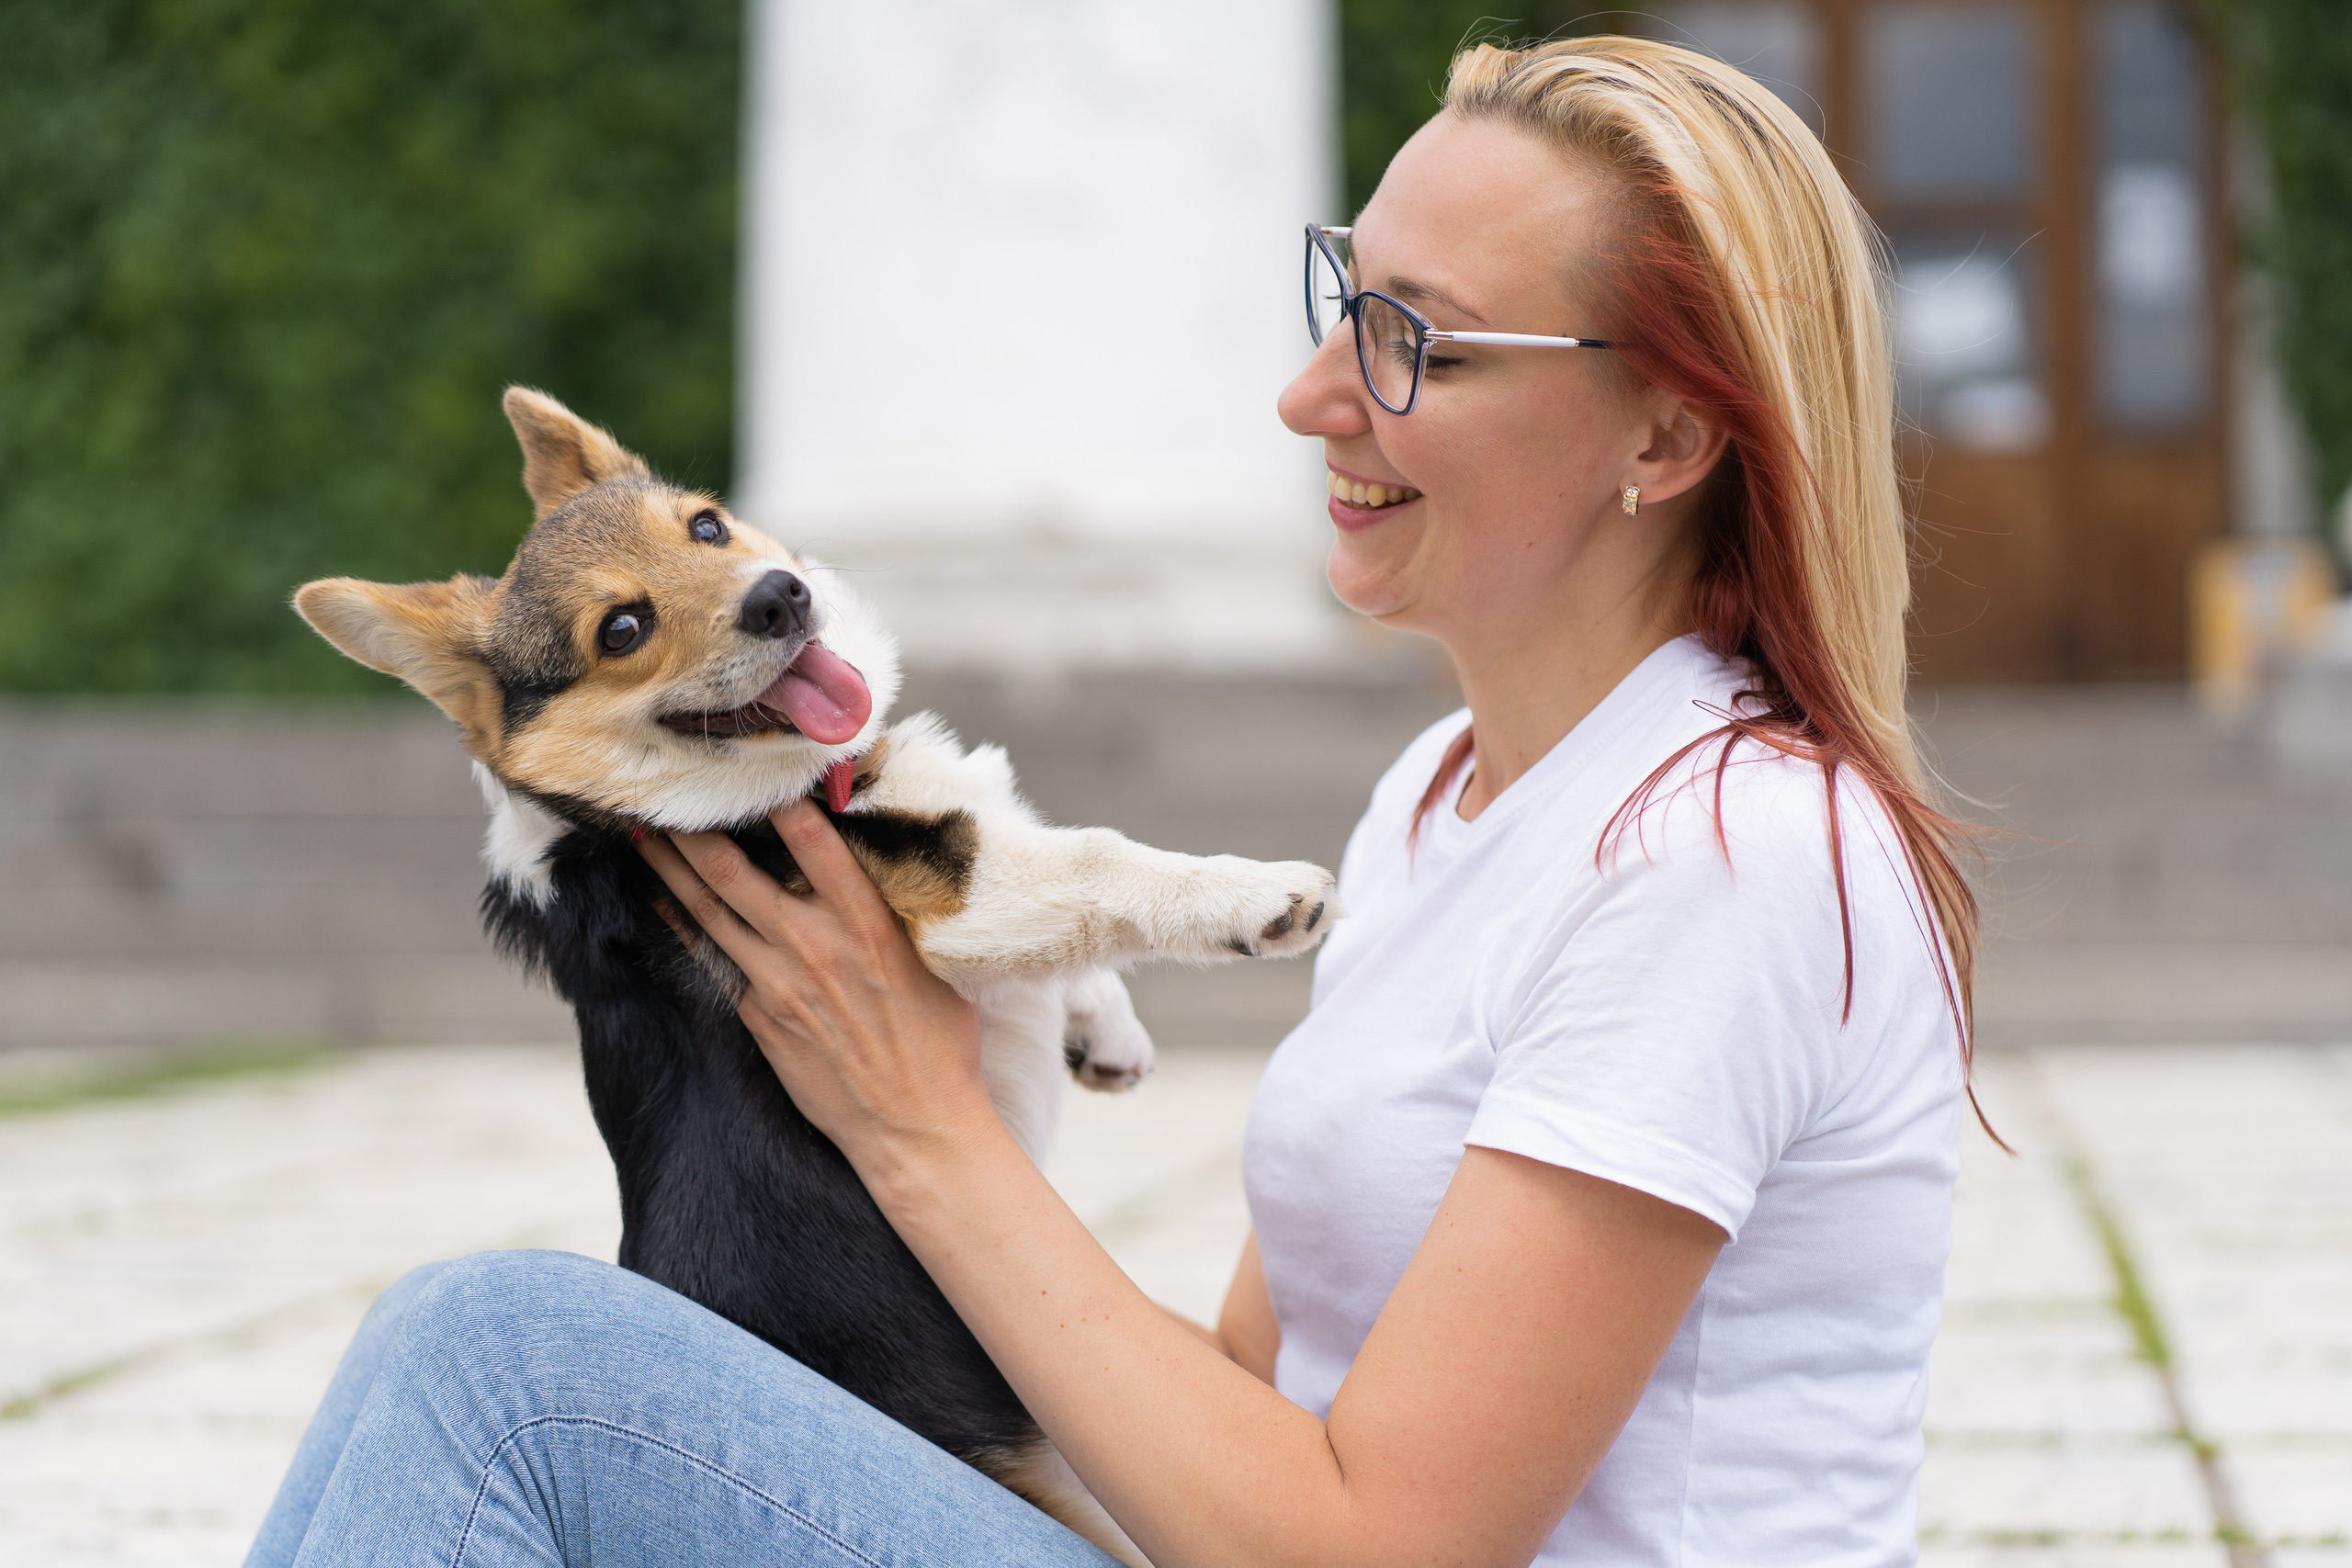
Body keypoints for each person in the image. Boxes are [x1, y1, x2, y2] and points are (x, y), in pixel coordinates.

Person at [248, 36, 1983, 1568]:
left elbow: (1377, 1550)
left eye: (1417, 348)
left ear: (1666, 443)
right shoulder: (1449, 803)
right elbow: (1239, 1400)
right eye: (1340, 300)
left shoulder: (1720, 859)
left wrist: (916, 1126)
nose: (1312, 397)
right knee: (510, 1363)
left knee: (504, 1363)